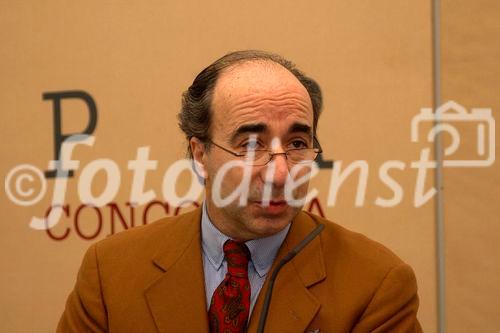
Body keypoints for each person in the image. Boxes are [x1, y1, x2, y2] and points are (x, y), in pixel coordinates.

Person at [57, 50, 422, 332]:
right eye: (250, 145)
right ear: (200, 154)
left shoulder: (376, 284)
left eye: (297, 143)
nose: (280, 174)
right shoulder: (111, 272)